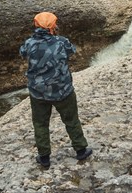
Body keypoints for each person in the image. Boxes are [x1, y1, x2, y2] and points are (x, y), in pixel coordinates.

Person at [19, 11, 92, 168]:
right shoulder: (61, 42)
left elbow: (22, 53)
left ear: (36, 25)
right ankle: (81, 150)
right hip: (63, 90)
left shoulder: (29, 43)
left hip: (38, 93)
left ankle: (44, 158)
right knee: (71, 120)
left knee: (40, 124)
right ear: (53, 26)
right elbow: (71, 51)